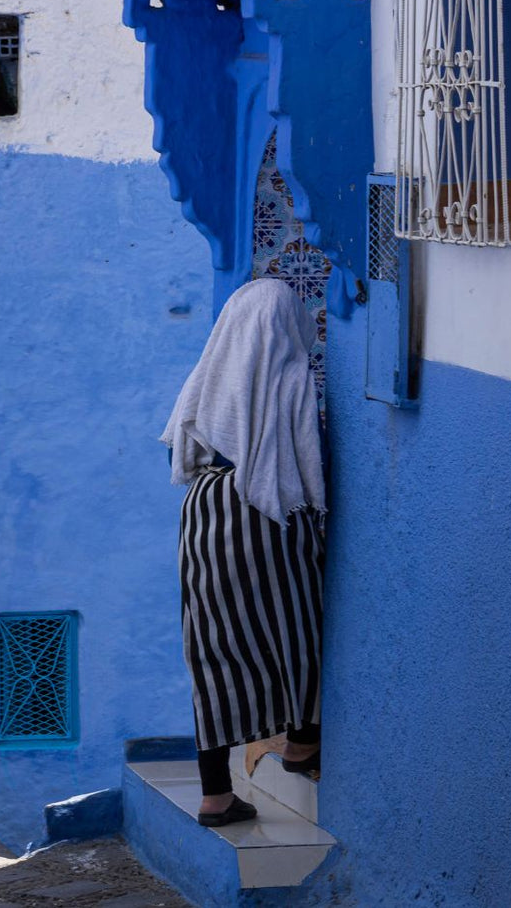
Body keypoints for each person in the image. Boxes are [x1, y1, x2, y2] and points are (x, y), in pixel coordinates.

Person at [160, 278, 326, 827]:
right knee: (294, 622)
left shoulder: (212, 373)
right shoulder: (286, 372)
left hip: (203, 508)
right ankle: (301, 741)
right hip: (262, 505)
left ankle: (215, 795)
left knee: (210, 646)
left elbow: (184, 445)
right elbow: (302, 458)